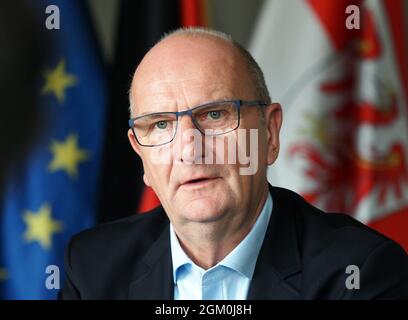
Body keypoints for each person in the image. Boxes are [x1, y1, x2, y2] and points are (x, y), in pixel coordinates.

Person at [59, 28, 408, 300]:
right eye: (161, 124)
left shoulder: (359, 272)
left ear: (269, 134)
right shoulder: (92, 268)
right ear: (141, 156)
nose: (190, 149)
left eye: (214, 114)